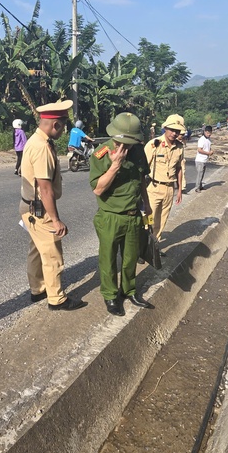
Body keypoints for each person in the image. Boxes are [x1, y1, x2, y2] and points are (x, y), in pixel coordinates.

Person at [19, 99, 86, 311]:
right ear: (55, 124)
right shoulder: (41, 147)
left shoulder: (37, 141)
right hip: (39, 210)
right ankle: (56, 298)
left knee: (37, 251)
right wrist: (55, 219)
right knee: (52, 254)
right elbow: (45, 188)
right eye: (63, 125)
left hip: (29, 207)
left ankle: (37, 289)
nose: (64, 130)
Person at [90, 112, 152, 317]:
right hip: (110, 216)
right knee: (107, 259)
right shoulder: (101, 153)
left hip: (134, 215)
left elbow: (141, 177)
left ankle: (129, 290)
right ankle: (110, 295)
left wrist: (147, 203)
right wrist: (115, 164)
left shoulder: (138, 152)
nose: (126, 146)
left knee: (130, 258)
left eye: (132, 142)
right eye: (123, 141)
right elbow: (98, 189)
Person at [144, 113, 186, 244]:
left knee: (162, 220)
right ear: (165, 128)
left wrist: (179, 189)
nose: (174, 133)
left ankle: (154, 246)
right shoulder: (154, 144)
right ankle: (143, 247)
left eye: (177, 131)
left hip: (169, 189)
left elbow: (179, 168)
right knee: (147, 219)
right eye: (172, 130)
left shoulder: (179, 148)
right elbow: (143, 168)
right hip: (153, 188)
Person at [194, 125, 214, 192]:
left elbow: (209, 147)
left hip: (205, 159)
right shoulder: (201, 139)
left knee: (202, 174)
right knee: (199, 174)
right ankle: (197, 188)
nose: (209, 134)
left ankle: (200, 186)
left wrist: (210, 151)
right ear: (205, 132)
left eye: (210, 133)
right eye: (208, 133)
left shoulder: (208, 139)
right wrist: (208, 153)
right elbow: (199, 150)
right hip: (200, 160)